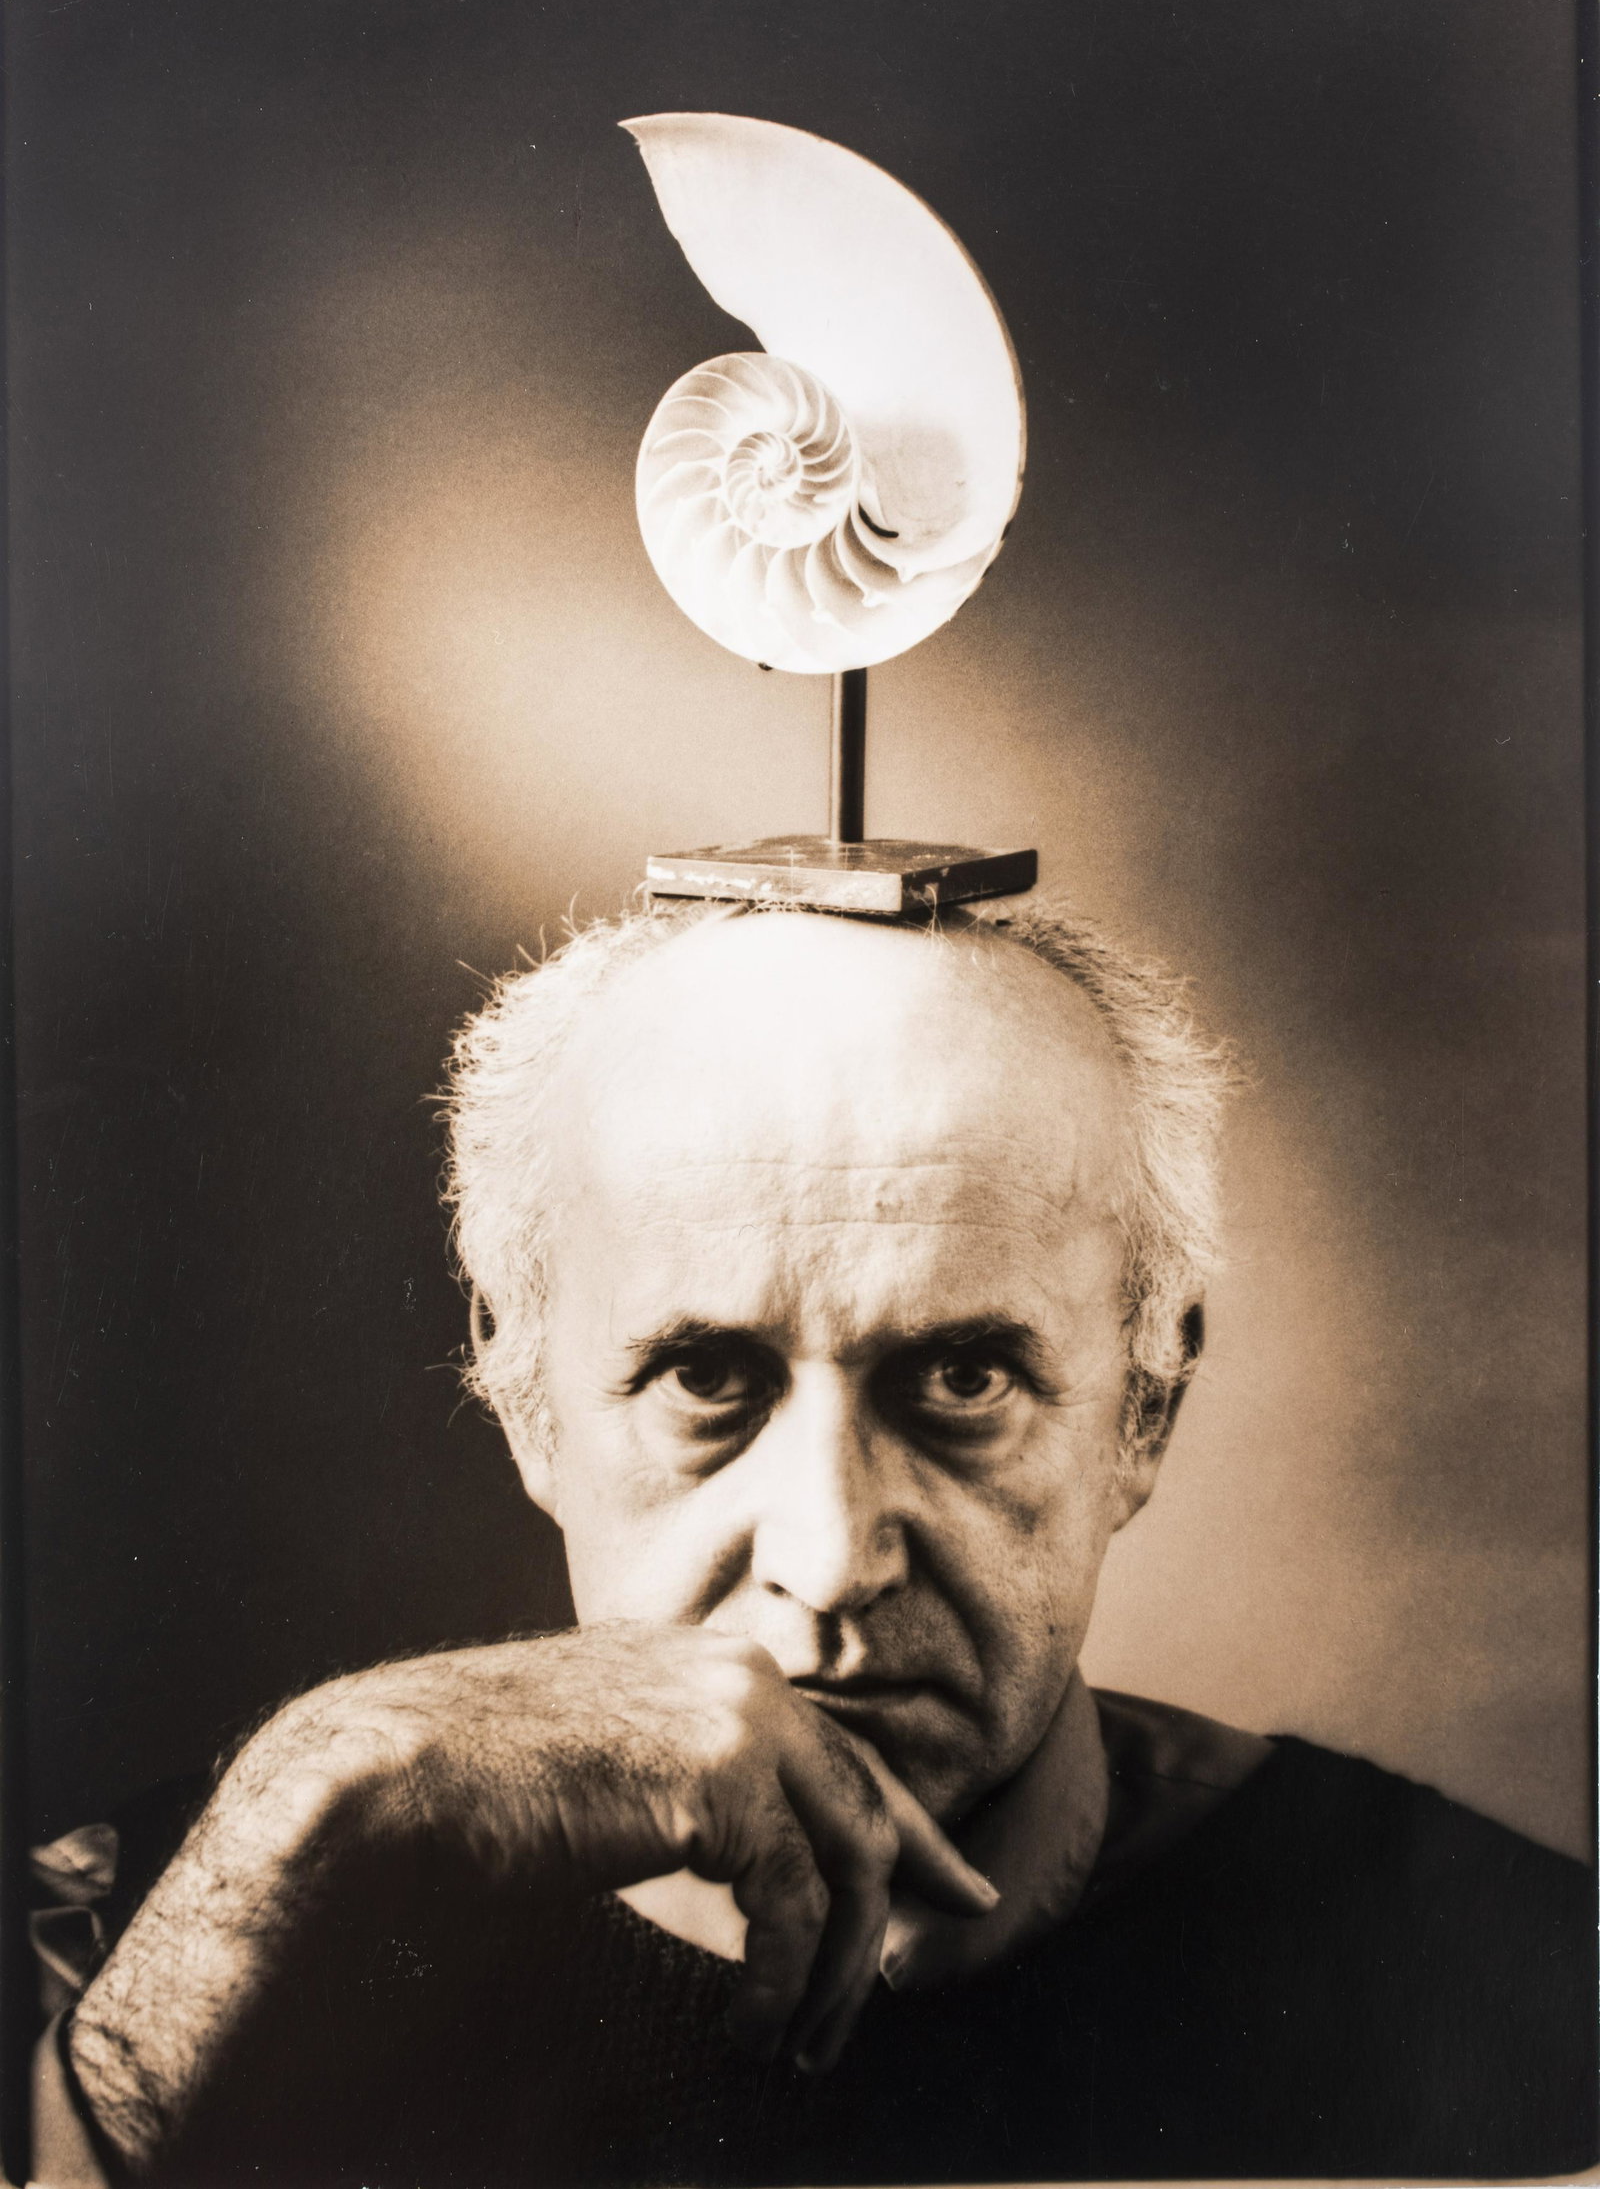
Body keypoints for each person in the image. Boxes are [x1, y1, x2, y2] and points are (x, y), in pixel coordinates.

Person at [31, 899, 1595, 2187]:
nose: (833, 1559)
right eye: (709, 1380)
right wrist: (295, 1831)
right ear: (521, 1392)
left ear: (1147, 1406)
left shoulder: (1513, 1994)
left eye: (964, 1379)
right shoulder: (153, 1948)